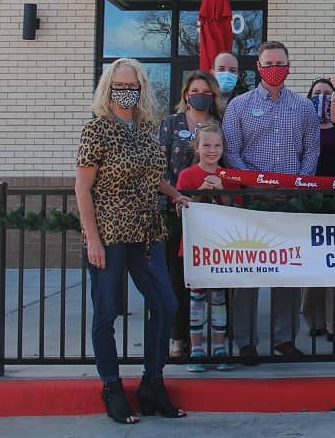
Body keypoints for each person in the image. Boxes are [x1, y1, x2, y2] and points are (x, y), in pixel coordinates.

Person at [75, 57, 189, 424]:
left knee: (166, 304)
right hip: (108, 234)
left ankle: (152, 383)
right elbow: (82, 187)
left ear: (141, 89)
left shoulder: (145, 129)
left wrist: (175, 193)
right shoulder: (96, 130)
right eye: (119, 87)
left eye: (132, 86)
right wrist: (92, 238)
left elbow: (151, 175)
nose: (126, 93)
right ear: (108, 89)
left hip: (146, 232)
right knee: (107, 312)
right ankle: (111, 386)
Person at [222, 41, 320, 364]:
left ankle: (284, 339)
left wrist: (297, 185)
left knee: (287, 269)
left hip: (292, 200)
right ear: (258, 67)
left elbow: (311, 152)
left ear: (289, 66)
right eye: (269, 63)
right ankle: (245, 341)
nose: (275, 68)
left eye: (280, 62)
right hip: (252, 199)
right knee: (249, 270)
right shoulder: (239, 106)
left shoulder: (304, 107)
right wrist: (255, 183)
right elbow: (231, 152)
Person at [158, 71, 221, 360]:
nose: (200, 95)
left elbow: (224, 164)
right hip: (176, 211)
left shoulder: (219, 125)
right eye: (195, 90)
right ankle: (177, 337)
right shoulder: (170, 125)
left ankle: (212, 338)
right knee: (176, 277)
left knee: (210, 277)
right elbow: (158, 167)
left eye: (206, 91)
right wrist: (175, 196)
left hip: (209, 215)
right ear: (186, 94)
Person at [175, 121, 238, 373]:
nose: (212, 150)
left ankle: (220, 348)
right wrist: (200, 192)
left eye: (217, 145)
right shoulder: (187, 175)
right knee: (196, 299)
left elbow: (236, 213)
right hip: (195, 247)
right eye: (207, 145)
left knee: (219, 298)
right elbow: (179, 210)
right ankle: (197, 348)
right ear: (197, 148)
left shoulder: (229, 177)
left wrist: (223, 192)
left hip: (221, 248)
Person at [301, 74, 335, 342]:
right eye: (316, 92)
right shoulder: (302, 126)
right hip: (310, 200)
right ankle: (314, 320)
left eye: (327, 93)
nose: (320, 97)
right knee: (312, 263)